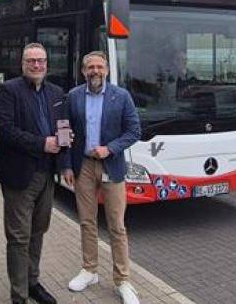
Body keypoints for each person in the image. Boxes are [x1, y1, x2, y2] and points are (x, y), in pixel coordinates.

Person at [61, 51, 142, 304]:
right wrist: (65, 166)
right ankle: (89, 270)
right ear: (83, 71)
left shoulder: (122, 96)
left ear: (106, 70)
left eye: (99, 67)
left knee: (117, 226)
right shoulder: (73, 96)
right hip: (83, 165)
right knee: (87, 221)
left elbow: (134, 131)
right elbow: (64, 131)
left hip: (111, 165)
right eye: (90, 67)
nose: (95, 71)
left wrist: (111, 148)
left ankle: (123, 281)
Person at [0, 43, 69, 304]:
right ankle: (19, 296)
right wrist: (42, 143)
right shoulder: (8, 91)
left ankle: (32, 282)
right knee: (18, 237)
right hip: (19, 176)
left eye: (41, 61)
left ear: (47, 64)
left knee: (38, 231)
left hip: (47, 174)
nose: (36, 65)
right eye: (31, 61)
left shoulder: (56, 92)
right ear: (22, 63)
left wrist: (65, 144)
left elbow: (62, 126)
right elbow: (6, 130)